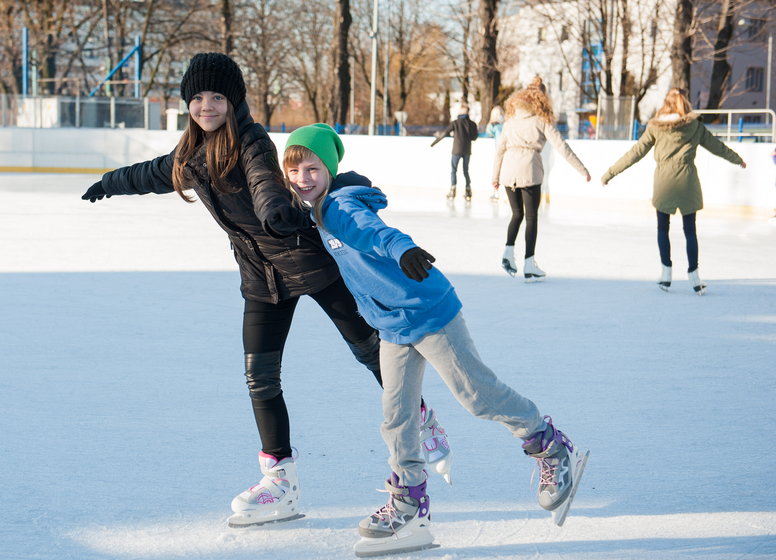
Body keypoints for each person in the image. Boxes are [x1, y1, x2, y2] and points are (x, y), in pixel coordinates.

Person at [79, 53, 452, 528]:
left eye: (216, 96)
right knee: (260, 377)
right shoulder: (189, 155)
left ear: (234, 101)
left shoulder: (251, 141)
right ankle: (281, 482)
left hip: (308, 262)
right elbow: (151, 173)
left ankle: (421, 420)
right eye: (197, 97)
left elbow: (262, 182)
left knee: (369, 351)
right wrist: (109, 183)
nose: (206, 105)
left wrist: (275, 207)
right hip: (260, 278)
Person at [279, 123, 588, 556]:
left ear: (328, 170)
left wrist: (403, 249)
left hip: (427, 311)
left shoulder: (339, 207)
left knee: (476, 394)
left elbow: (375, 233)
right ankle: (409, 499)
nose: (303, 178)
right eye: (294, 170)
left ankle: (548, 444)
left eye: (312, 168)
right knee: (397, 416)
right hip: (392, 324)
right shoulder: (313, 210)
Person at [601, 87, 746, 294]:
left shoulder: (655, 127)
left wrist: (610, 173)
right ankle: (694, 277)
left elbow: (635, 153)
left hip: (664, 182)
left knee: (663, 229)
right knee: (690, 231)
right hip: (687, 181)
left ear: (665, 104)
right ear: (685, 103)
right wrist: (737, 159)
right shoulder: (694, 126)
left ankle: (666, 274)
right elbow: (716, 146)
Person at [492, 77, 591, 281]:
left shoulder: (510, 121)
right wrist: (582, 170)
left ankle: (507, 254)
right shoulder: (541, 120)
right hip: (529, 170)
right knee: (531, 217)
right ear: (542, 99)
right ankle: (529, 264)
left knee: (516, 214)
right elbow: (562, 147)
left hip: (508, 172)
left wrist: (495, 177)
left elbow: (500, 150)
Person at [430, 103, 479, 201]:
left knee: (453, 170)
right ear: (468, 112)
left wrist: (433, 143)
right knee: (466, 171)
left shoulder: (455, 123)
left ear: (460, 112)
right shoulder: (472, 124)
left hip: (456, 150)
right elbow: (474, 137)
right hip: (467, 150)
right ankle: (468, 190)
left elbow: (444, 133)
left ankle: (453, 190)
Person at [486, 105, 504, 201]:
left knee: (497, 173)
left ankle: (496, 192)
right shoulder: (505, 125)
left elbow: (488, 132)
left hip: (499, 152)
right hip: (504, 151)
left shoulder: (493, 126)